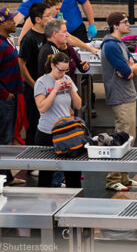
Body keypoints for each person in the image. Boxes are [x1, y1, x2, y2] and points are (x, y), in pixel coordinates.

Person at [101, 12, 137, 192]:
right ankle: (112, 179)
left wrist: (131, 67)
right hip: (120, 96)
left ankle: (124, 177)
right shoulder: (110, 46)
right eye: (125, 22)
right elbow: (127, 72)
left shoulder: (120, 43)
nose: (128, 24)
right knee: (121, 138)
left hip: (129, 94)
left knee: (129, 139)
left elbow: (135, 66)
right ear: (115, 25)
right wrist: (130, 68)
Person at [34, 52, 82, 188]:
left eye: (65, 70)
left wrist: (71, 90)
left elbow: (78, 105)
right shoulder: (42, 82)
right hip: (47, 133)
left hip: (67, 133)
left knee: (73, 174)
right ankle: (44, 205)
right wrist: (54, 90)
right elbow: (41, 108)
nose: (62, 73)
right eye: (60, 70)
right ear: (52, 66)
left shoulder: (67, 78)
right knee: (46, 175)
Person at [18, 3, 53, 145]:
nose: (51, 18)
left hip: (46, 88)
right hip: (33, 89)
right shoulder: (29, 38)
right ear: (38, 19)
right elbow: (22, 65)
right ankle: (30, 161)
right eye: (48, 16)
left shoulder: (47, 35)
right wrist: (34, 85)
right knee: (34, 124)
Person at [0, 8, 26, 186]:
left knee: (7, 138)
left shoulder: (5, 41)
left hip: (10, 97)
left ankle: (6, 176)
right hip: (4, 99)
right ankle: (3, 178)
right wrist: (5, 94)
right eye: (10, 20)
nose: (14, 22)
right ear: (2, 23)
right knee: (3, 138)